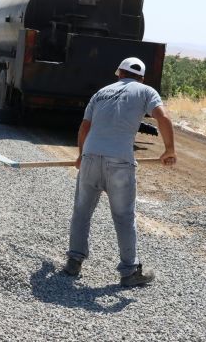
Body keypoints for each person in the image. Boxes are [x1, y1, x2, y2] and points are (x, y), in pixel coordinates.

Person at [63, 57, 176, 287]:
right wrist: (169, 150)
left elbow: (85, 127)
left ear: (119, 74)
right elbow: (162, 117)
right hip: (120, 163)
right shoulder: (146, 91)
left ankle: (74, 261)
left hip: (91, 158)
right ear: (141, 78)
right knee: (124, 216)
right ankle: (129, 272)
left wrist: (81, 156)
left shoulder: (101, 92)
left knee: (82, 211)